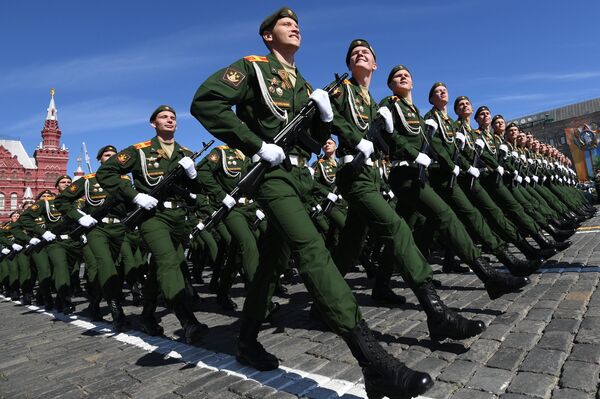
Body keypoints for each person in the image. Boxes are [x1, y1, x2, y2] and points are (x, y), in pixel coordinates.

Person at [191, 10, 433, 398]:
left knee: (272, 260)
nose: (295, 26)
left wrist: (322, 118)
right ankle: (373, 362)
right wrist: (255, 145)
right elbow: (205, 102)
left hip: (301, 177)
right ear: (268, 37)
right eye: (285, 25)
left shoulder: (303, 84)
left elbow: (311, 142)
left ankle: (246, 339)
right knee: (313, 250)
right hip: (271, 179)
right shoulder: (252, 69)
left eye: (297, 24)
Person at [379, 65, 528, 300]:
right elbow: (390, 136)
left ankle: (381, 282)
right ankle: (489, 276)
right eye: (398, 76)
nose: (404, 77)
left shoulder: (415, 111)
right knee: (446, 216)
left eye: (407, 74)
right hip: (405, 174)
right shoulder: (389, 104)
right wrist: (415, 154)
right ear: (390, 85)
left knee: (402, 230)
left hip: (419, 175)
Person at [97, 105, 207, 344]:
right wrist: (134, 195)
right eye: (163, 117)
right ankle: (188, 321)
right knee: (169, 263)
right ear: (153, 124)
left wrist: (193, 175)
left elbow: (197, 192)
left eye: (173, 118)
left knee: (161, 269)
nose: (169, 120)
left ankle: (147, 316)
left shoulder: (185, 153)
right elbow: (106, 173)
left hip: (178, 219)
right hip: (152, 217)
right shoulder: (140, 151)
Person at [54, 145, 133, 331]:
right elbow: (61, 201)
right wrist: (80, 217)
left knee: (111, 270)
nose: (111, 157)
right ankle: (116, 310)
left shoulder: (124, 180)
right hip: (97, 229)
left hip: (119, 228)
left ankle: (95, 303)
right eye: (107, 155)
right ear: (99, 160)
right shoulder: (89, 181)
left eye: (115, 155)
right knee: (106, 265)